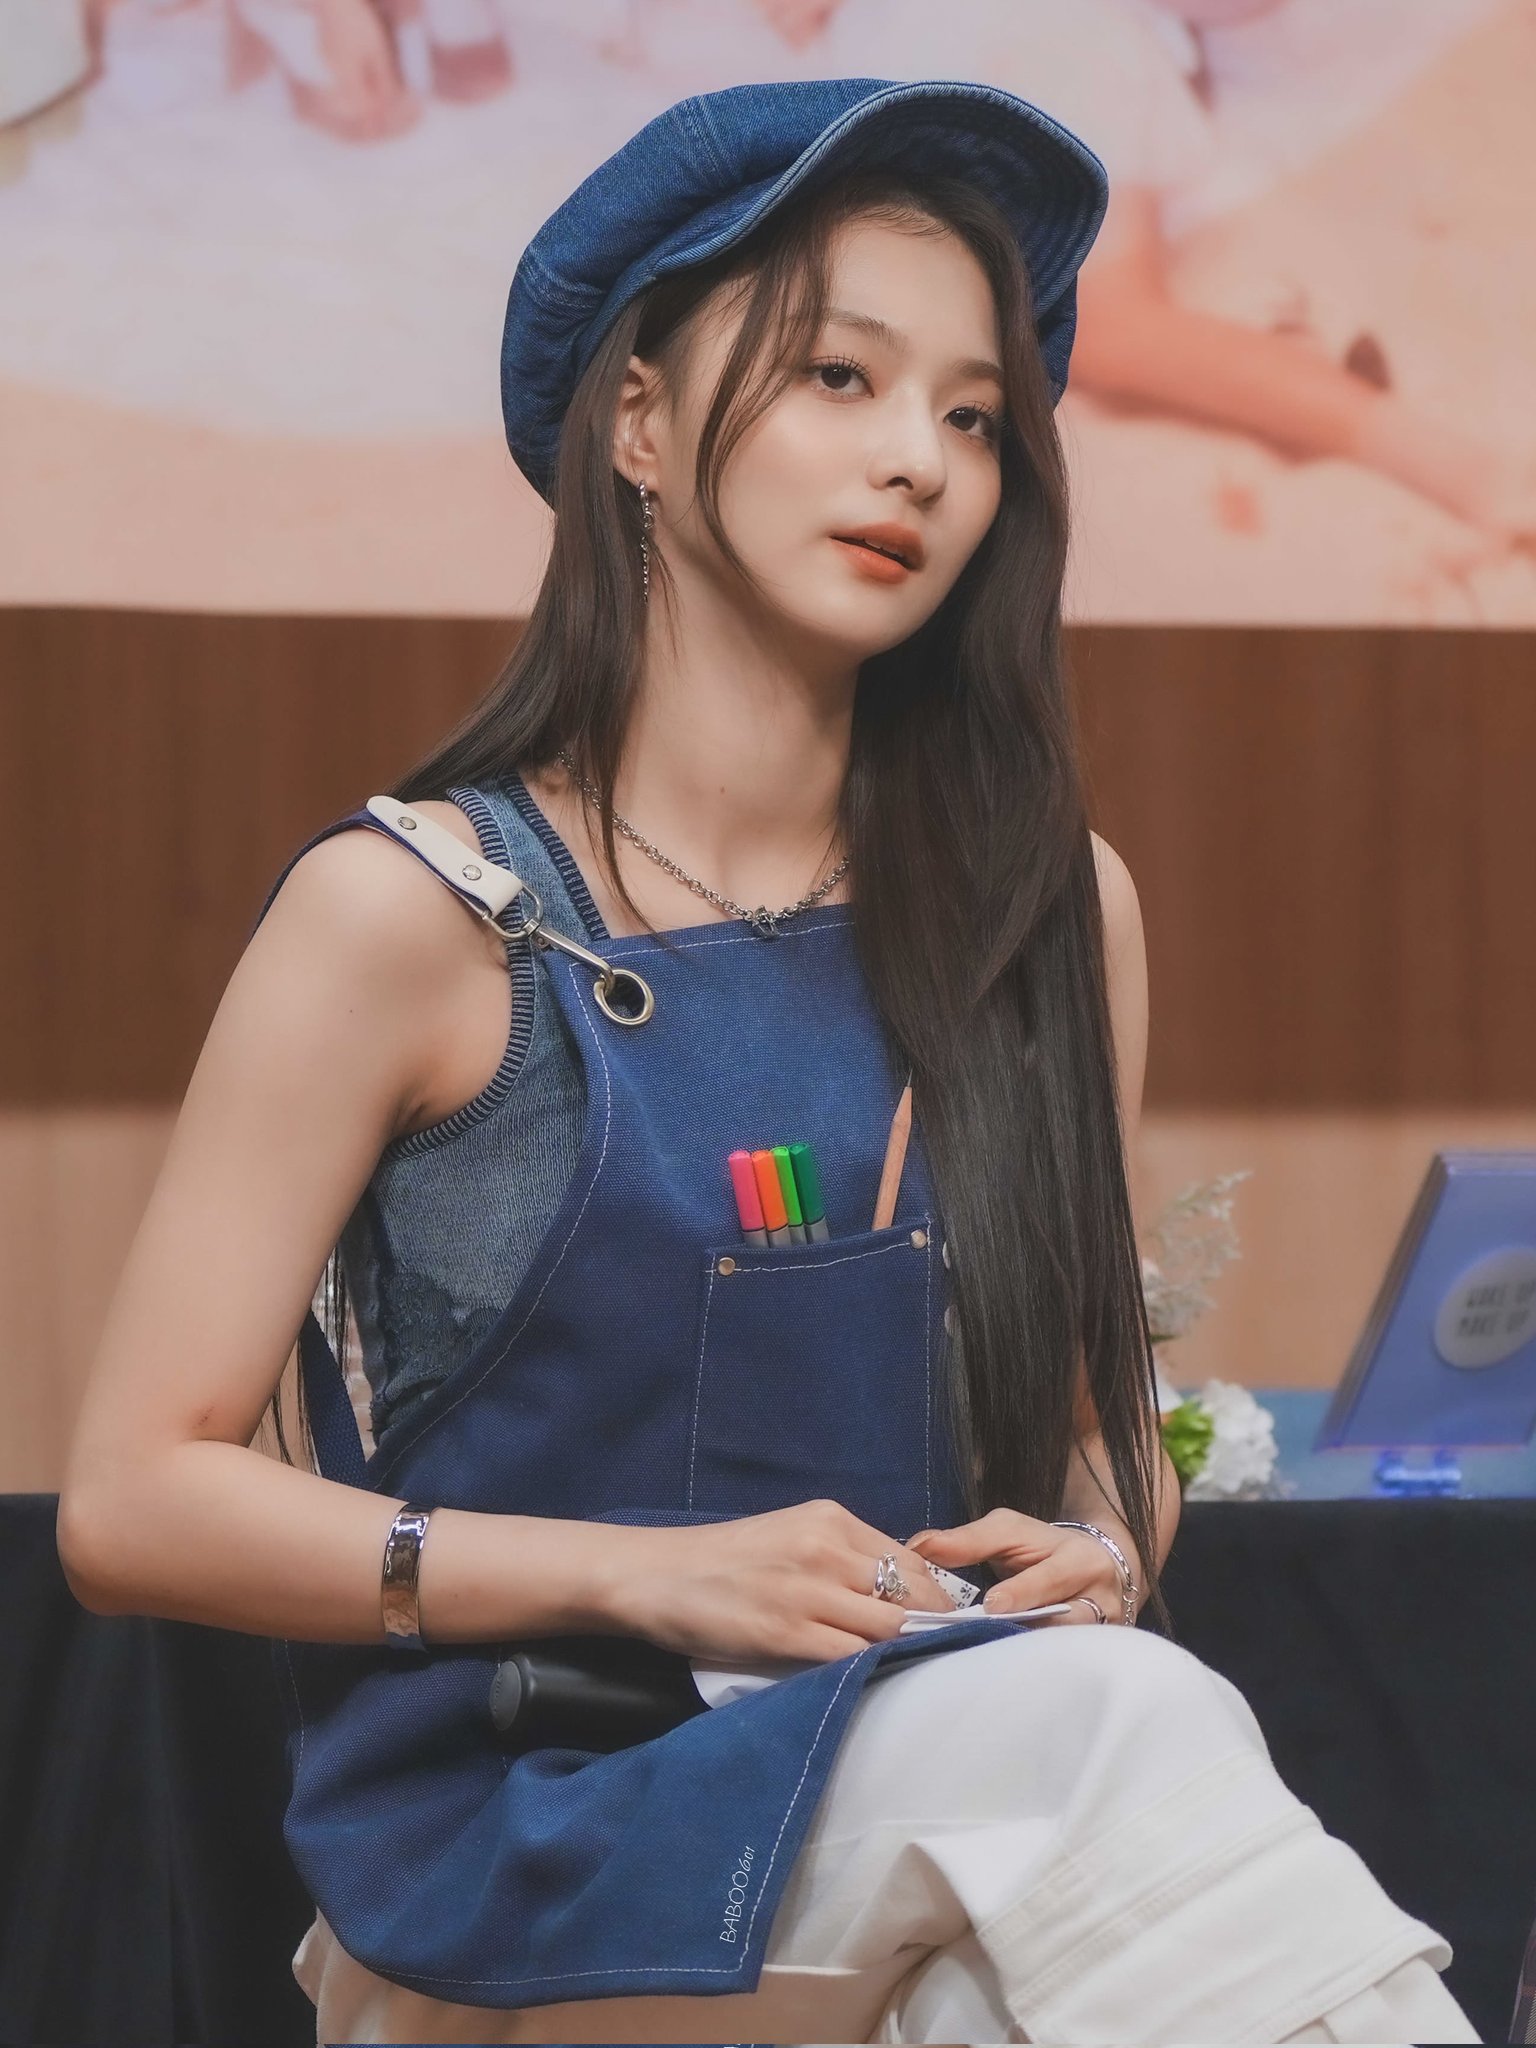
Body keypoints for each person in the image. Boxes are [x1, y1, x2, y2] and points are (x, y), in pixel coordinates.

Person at [57, 77, 1480, 2045]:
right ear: (638, 422)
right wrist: (649, 1580)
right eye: (840, 377)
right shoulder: (415, 914)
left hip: (948, 1795)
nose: (918, 462)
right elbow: (131, 1501)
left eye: (973, 418)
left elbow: (1097, 1423)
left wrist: (1093, 1541)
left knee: (1070, 1832)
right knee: (1109, 1740)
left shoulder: (1055, 915)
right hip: (521, 1844)